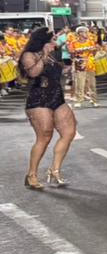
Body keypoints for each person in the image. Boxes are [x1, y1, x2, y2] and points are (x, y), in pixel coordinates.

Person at [17, 27, 76, 190]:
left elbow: (56, 73)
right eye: (52, 39)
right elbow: (34, 73)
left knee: (69, 132)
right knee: (44, 136)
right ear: (43, 41)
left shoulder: (53, 54)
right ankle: (31, 175)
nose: (55, 42)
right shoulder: (29, 55)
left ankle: (54, 170)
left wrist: (70, 68)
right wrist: (43, 54)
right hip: (39, 99)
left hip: (57, 96)